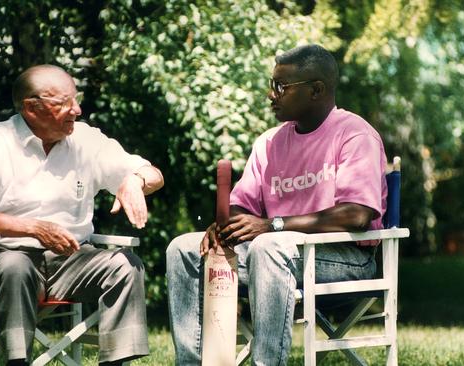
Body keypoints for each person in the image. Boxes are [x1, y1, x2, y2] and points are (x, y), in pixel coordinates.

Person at [166, 44, 387, 365]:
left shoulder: (354, 134)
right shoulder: (269, 143)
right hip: (278, 255)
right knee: (184, 249)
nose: (272, 95)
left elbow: (357, 214)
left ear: (316, 90)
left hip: (347, 259)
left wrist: (273, 225)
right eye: (272, 85)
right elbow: (242, 204)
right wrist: (228, 227)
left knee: (268, 246)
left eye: (281, 87)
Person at [0, 64, 164, 366]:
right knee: (15, 267)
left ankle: (116, 363)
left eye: (75, 99)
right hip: (12, 255)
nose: (76, 110)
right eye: (64, 103)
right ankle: (17, 362)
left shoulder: (86, 140)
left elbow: (154, 174)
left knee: (125, 265)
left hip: (74, 258)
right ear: (31, 108)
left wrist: (135, 180)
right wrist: (35, 229)